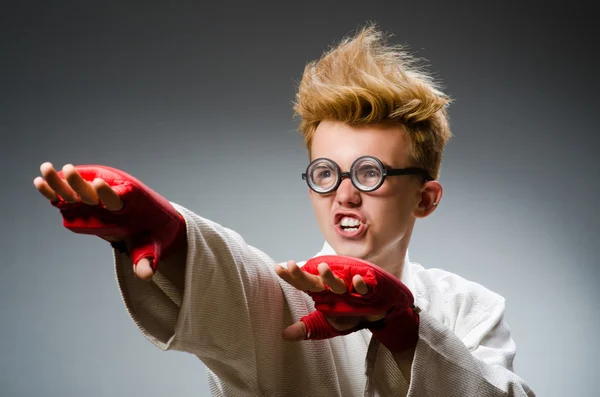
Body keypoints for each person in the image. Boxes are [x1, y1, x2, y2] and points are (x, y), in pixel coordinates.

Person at [34, 24, 535, 396]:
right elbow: (235, 283)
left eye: (369, 173)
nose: (344, 194)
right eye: (325, 173)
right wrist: (173, 235)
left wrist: (402, 327)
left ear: (426, 198)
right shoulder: (284, 300)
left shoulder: (472, 306)